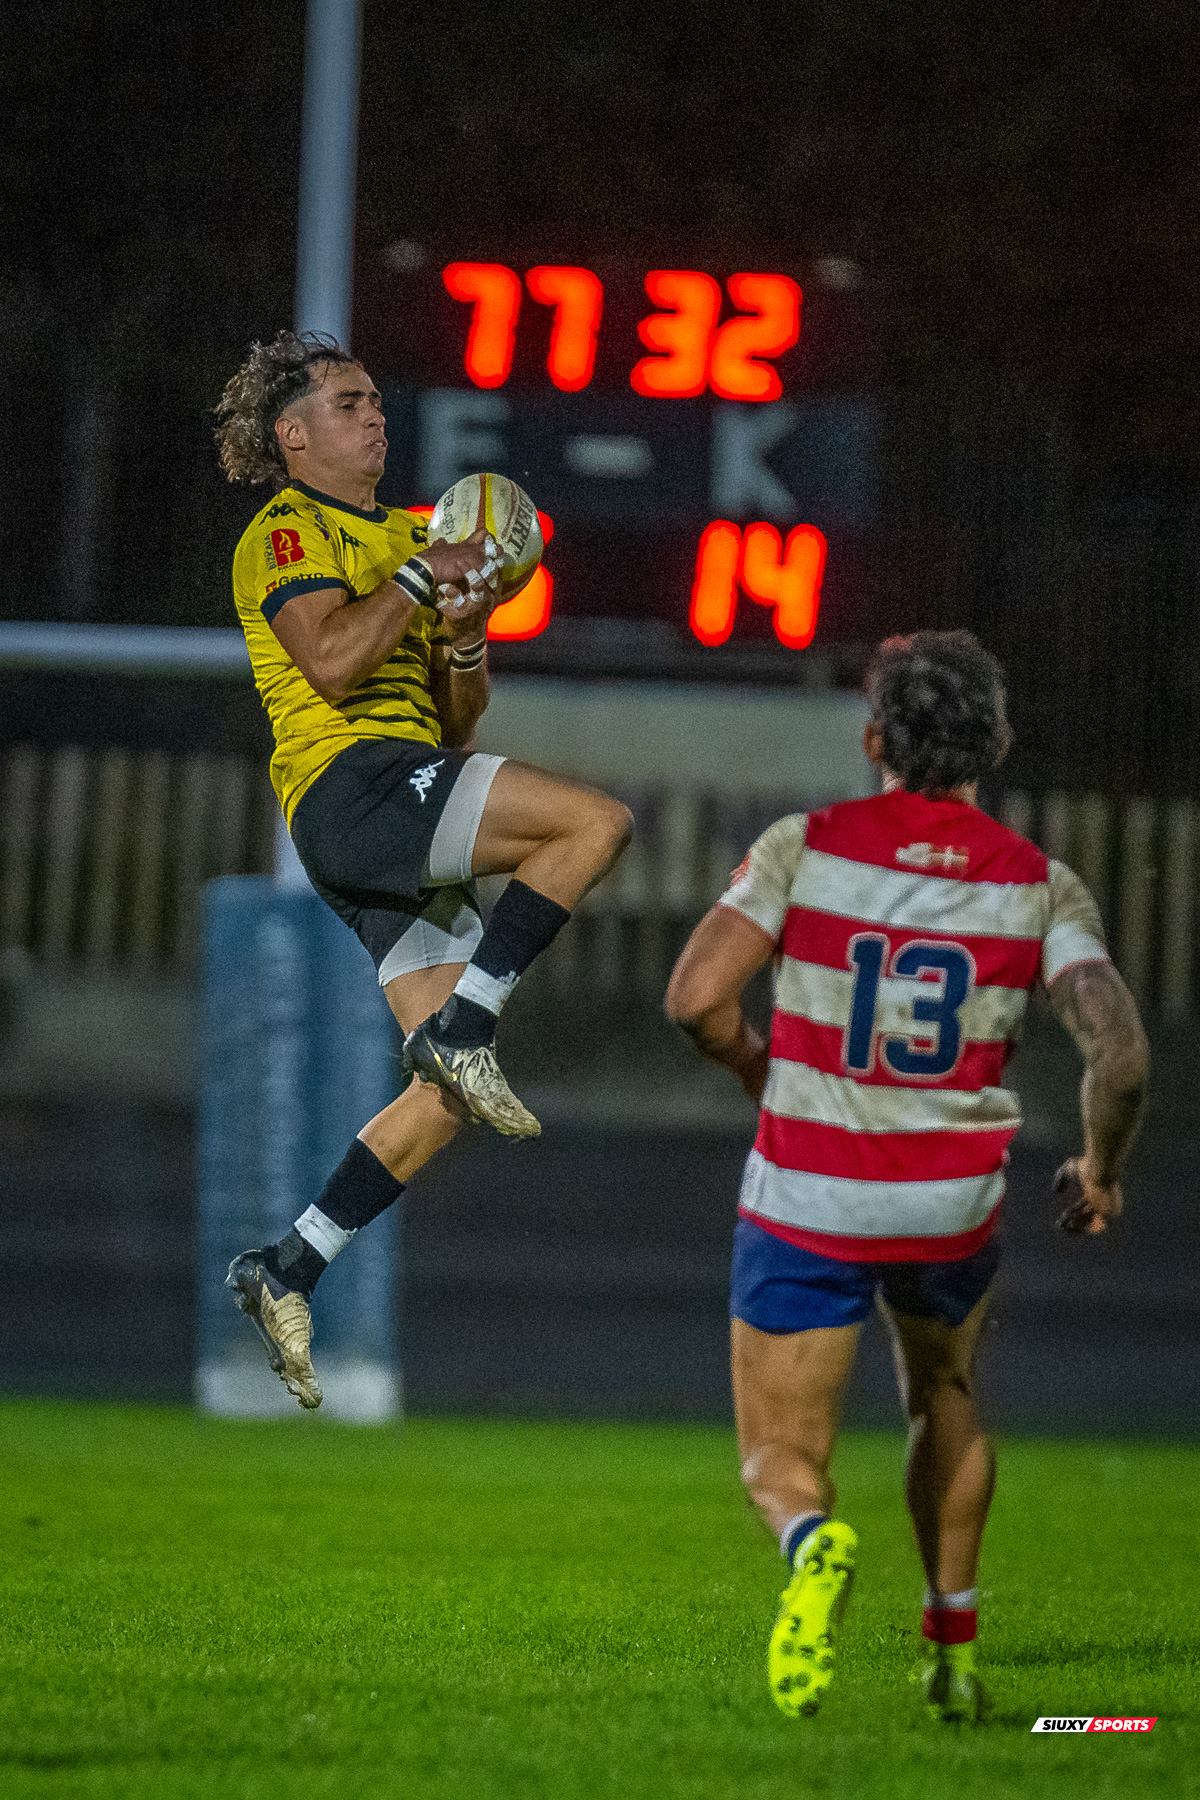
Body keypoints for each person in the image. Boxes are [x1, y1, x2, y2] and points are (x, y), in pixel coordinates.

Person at [665, 630, 1148, 1724]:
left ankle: (812, 1540)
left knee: (782, 1454)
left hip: (811, 1191)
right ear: (1000, 740)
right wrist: (1101, 1170)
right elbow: (1118, 1050)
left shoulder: (806, 847)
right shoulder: (1039, 886)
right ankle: (953, 1652)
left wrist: (757, 1067)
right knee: (946, 1396)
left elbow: (695, 1000)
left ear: (874, 737)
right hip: (947, 1204)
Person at [212, 329, 631, 1410]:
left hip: (394, 790)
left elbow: (453, 722)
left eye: (378, 402)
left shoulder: (418, 529)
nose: (376, 417)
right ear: (292, 435)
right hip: (348, 789)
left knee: (439, 1105)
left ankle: (288, 1264)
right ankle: (468, 1023)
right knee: (594, 823)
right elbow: (335, 662)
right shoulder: (284, 533)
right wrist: (413, 575)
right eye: (349, 404)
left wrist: (465, 630)